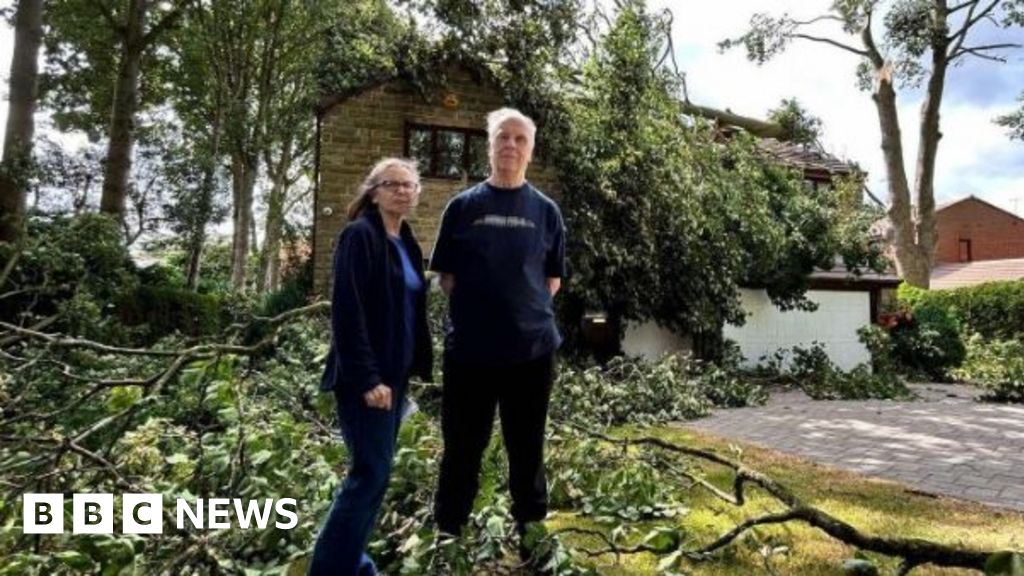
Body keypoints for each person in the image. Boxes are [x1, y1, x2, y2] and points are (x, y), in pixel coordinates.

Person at [430, 108, 566, 553]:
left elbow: (552, 280)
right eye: (502, 137)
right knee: (462, 449)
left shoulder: (547, 213)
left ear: (531, 149)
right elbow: (446, 277)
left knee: (526, 448)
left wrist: (519, 312)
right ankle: (448, 532)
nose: (510, 145)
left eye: (519, 139)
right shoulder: (462, 207)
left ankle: (530, 531)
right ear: (490, 146)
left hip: (531, 355)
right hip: (470, 354)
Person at [309, 158, 433, 576]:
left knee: (377, 475)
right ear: (374, 191)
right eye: (392, 184)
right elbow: (348, 311)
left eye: (409, 185)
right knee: (369, 473)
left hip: (394, 380)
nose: (402, 191)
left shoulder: (408, 241)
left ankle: (354, 564)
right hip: (368, 381)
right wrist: (368, 379)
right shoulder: (359, 235)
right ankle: (329, 569)